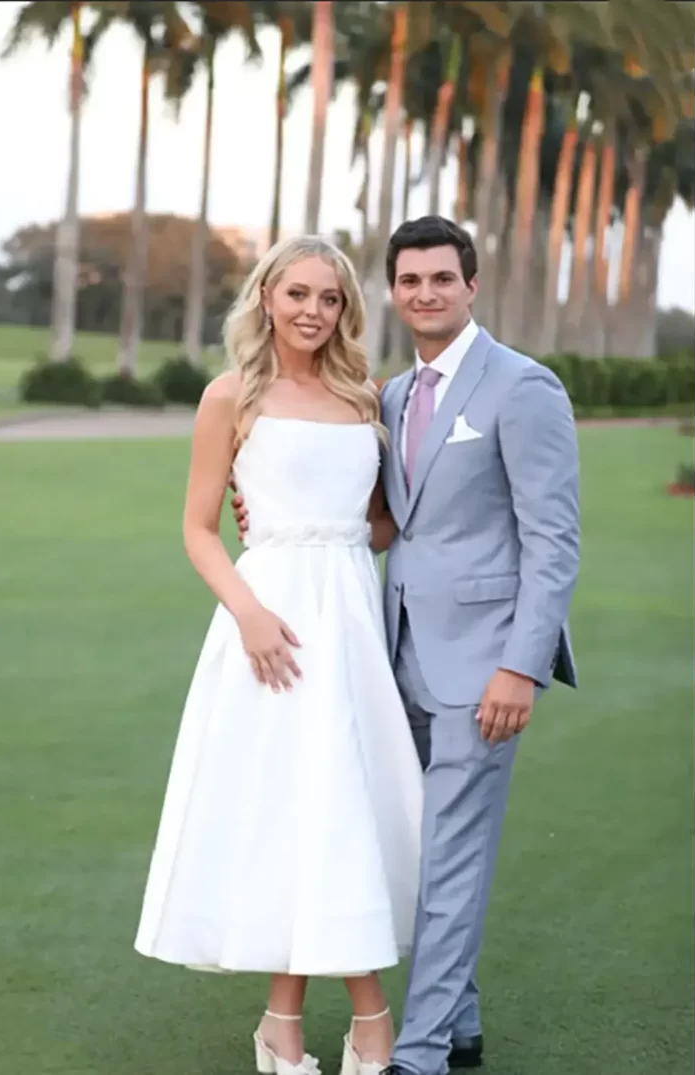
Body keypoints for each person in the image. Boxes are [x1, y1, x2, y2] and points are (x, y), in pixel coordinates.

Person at [232, 216, 581, 1075]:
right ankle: (457, 1022)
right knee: (416, 848)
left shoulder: (523, 386)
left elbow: (554, 540)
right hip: (387, 659)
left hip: (482, 667)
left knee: (453, 856)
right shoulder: (384, 396)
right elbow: (384, 521)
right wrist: (278, 515)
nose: (426, 292)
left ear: (471, 286)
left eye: (442, 278)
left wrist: (520, 663)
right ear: (393, 291)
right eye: (411, 280)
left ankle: (415, 1054)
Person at [134, 235, 424, 1075]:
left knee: (338, 809)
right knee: (293, 809)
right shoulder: (231, 395)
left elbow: (377, 521)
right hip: (269, 628)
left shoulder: (364, 394)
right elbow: (198, 527)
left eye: (328, 298)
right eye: (296, 293)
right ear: (266, 297)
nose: (311, 310)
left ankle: (286, 1024)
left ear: (345, 309)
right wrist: (251, 611)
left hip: (349, 619)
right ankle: (359, 1020)